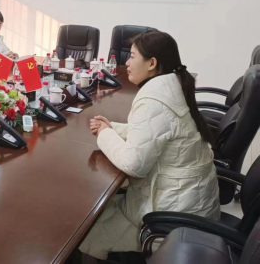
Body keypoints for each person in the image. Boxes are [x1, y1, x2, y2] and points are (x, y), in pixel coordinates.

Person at [78, 31, 220, 260]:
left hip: (171, 221)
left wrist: (105, 134)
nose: (127, 62)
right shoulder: (172, 84)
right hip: (189, 203)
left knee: (83, 231)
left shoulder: (154, 99)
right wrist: (114, 129)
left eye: (132, 56)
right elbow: (159, 132)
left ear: (152, 63)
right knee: (94, 212)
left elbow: (134, 165)